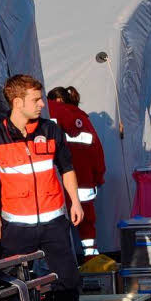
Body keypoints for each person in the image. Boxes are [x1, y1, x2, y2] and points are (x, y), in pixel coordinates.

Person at [0, 75, 91, 301]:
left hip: (54, 222)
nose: (42, 104)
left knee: (67, 281)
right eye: (36, 99)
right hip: (17, 227)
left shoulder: (51, 130)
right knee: (13, 286)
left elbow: (66, 167)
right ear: (17, 103)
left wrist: (75, 202)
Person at [47, 87, 106, 257]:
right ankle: (91, 260)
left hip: (55, 185)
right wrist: (98, 177)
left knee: (57, 226)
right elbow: (97, 152)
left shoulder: (44, 114)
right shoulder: (81, 119)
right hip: (85, 183)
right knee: (86, 224)